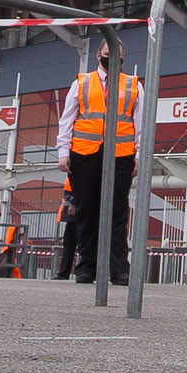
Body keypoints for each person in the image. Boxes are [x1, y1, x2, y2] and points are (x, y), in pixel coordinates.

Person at [55, 31, 133, 283]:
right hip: (84, 153)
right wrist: (63, 152)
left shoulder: (133, 85)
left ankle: (119, 269)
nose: (112, 62)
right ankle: (86, 266)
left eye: (117, 58)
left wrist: (140, 155)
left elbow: (140, 123)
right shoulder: (81, 83)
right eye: (108, 56)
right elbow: (67, 120)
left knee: (117, 212)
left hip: (120, 154)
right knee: (86, 211)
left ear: (123, 59)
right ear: (98, 55)